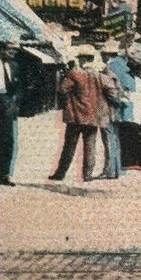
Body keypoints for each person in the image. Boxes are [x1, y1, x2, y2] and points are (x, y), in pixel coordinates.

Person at [51, 48, 104, 183]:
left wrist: (66, 74)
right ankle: (87, 175)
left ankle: (60, 173)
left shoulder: (75, 74)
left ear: (82, 59)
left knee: (69, 146)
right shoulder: (98, 75)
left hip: (76, 116)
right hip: (93, 115)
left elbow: (62, 89)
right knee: (90, 146)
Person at [93, 50, 125, 180]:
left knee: (109, 142)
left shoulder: (107, 74)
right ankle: (117, 170)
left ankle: (110, 171)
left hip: (107, 113)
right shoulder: (118, 72)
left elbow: (113, 95)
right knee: (115, 142)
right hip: (114, 113)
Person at [0, 40, 22, 186]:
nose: (13, 53)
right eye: (10, 50)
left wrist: (14, 103)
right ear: (2, 49)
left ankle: (4, 175)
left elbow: (18, 87)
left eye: (15, 51)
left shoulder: (14, 65)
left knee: (7, 140)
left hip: (6, 103)